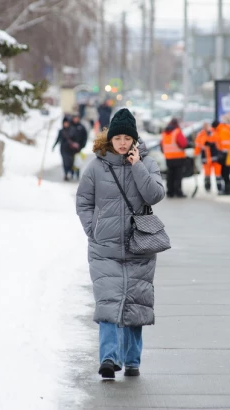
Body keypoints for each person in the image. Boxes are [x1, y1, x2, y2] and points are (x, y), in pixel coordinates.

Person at [75, 108, 165, 379]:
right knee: (108, 303)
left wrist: (136, 166)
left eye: (128, 137)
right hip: (105, 247)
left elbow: (155, 195)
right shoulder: (96, 167)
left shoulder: (148, 164)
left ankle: (132, 360)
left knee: (136, 305)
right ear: (110, 139)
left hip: (139, 245)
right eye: (118, 138)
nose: (123, 142)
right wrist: (94, 229)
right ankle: (108, 359)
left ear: (134, 140)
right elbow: (84, 202)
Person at [160, 118, 188, 198]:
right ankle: (178, 191)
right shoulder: (177, 132)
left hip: (168, 157)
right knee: (178, 175)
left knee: (170, 175)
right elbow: (183, 144)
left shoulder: (164, 133)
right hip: (178, 157)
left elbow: (161, 145)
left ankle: (170, 191)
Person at [194, 122, 223, 193]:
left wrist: (210, 140)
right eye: (204, 126)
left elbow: (218, 141)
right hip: (206, 158)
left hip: (215, 157)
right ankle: (207, 187)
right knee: (207, 174)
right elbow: (198, 145)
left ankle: (219, 188)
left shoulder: (213, 133)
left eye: (207, 126)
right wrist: (195, 154)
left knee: (218, 174)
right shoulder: (200, 135)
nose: (206, 128)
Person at [211, 120, 230, 196]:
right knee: (224, 172)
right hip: (226, 154)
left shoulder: (223, 131)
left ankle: (227, 190)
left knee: (225, 173)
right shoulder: (221, 130)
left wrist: (222, 153)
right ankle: (226, 189)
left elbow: (225, 144)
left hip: (226, 154)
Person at [71, 114, 89, 180]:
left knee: (77, 161)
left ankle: (77, 174)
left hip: (79, 148)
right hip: (70, 148)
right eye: (74, 118)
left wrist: (83, 145)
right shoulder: (71, 126)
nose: (76, 119)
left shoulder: (81, 127)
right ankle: (71, 173)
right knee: (71, 161)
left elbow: (85, 136)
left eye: (77, 118)